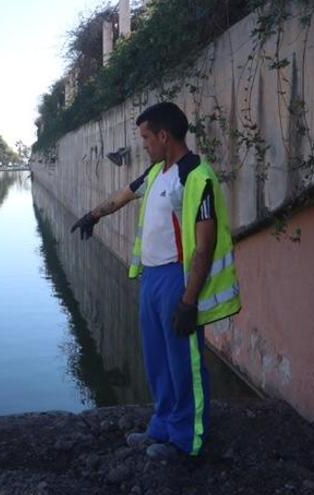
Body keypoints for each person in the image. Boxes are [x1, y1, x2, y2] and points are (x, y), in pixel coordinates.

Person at [70, 102, 241, 459]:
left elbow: (205, 243)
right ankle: (161, 427)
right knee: (158, 360)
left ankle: (186, 441)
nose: (143, 144)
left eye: (147, 137)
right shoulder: (156, 173)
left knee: (184, 363)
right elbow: (123, 195)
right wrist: (93, 215)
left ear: (164, 135)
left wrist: (189, 301)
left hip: (177, 281)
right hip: (151, 278)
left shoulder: (196, 175)